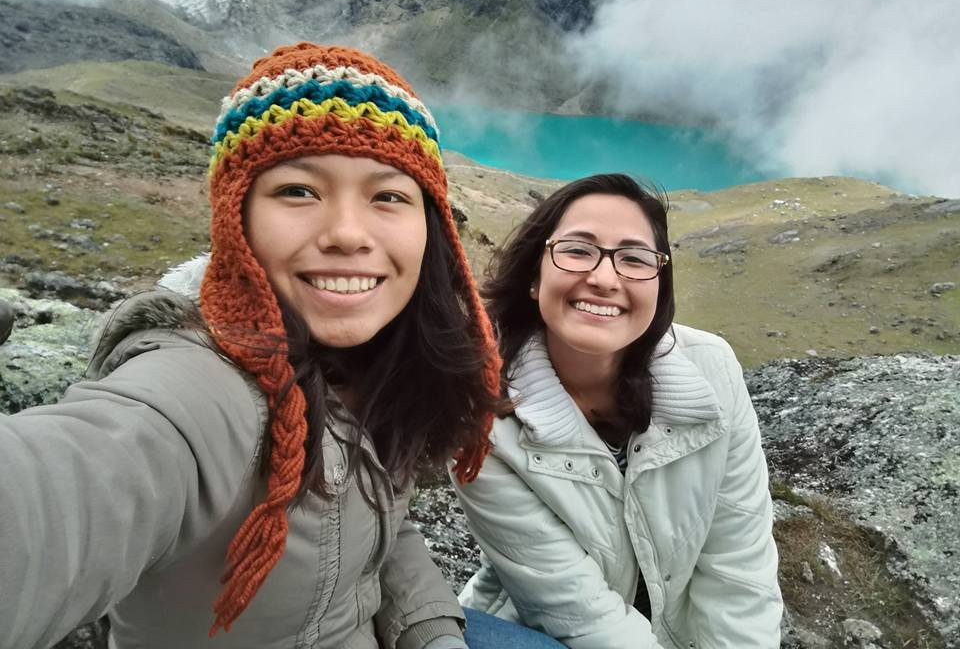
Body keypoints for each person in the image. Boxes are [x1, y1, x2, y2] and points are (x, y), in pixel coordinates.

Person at [0, 43, 559, 649]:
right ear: (234, 218)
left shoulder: (377, 360)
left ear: (432, 228)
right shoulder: (195, 393)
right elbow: (61, 490)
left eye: (389, 196)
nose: (347, 233)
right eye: (297, 190)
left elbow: (381, 528)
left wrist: (431, 633)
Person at [451, 174, 783, 648]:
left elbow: (739, 565)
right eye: (577, 250)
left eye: (634, 258)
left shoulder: (712, 368)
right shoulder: (482, 413)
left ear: (660, 285)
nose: (605, 279)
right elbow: (576, 610)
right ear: (533, 276)